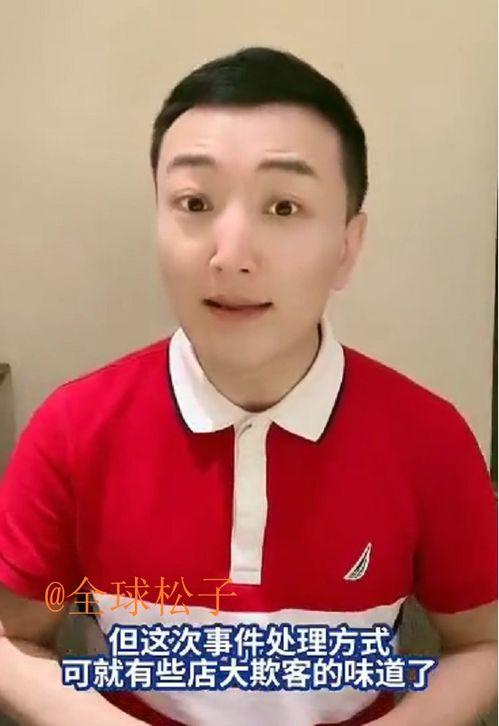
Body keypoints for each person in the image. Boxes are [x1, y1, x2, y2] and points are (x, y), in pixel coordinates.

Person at [0, 45, 497, 726]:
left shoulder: (429, 439)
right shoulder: (73, 429)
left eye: (284, 207)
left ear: (346, 246)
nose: (230, 255)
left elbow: (482, 642)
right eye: (194, 202)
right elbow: (13, 638)